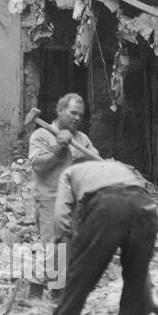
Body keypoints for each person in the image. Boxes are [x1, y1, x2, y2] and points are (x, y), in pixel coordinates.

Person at [22, 158, 158, 315]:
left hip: (108, 206)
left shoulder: (70, 172)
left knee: (79, 280)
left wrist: (69, 250)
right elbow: (140, 274)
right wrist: (146, 294)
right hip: (147, 207)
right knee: (134, 281)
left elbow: (60, 218)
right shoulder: (119, 168)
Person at [29, 93, 99, 249]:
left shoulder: (82, 139)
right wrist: (60, 147)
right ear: (60, 110)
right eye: (73, 113)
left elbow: (94, 164)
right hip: (51, 203)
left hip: (75, 206)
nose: (77, 118)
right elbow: (38, 166)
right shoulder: (42, 135)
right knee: (54, 254)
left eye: (80, 115)